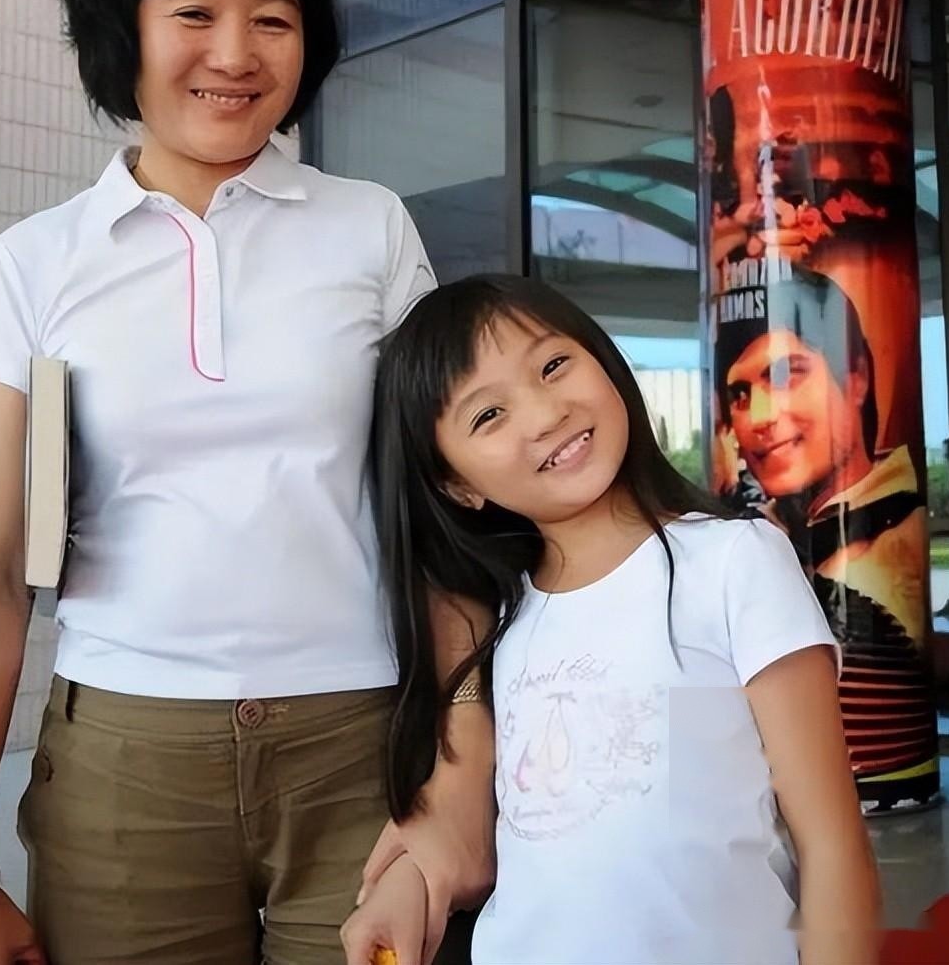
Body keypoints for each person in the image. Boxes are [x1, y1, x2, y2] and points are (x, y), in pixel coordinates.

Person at [0, 0, 494, 965]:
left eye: (274, 17)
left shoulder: (371, 227)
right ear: (122, 29)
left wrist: (458, 779)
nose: (236, 52)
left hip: (363, 747)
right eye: (195, 10)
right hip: (124, 767)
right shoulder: (34, 262)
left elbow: (440, 517)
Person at [343, 274, 881, 965]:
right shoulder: (502, 622)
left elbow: (831, 843)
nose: (545, 414)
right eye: (489, 415)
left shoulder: (733, 562)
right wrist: (404, 885)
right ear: (456, 484)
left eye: (553, 365)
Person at [714, 266, 934, 809]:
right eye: (740, 394)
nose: (760, 416)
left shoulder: (892, 549)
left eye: (787, 375)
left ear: (856, 376)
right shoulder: (755, 543)